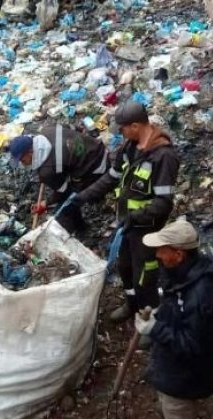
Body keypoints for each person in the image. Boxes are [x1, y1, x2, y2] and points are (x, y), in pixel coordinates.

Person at [133, 220, 213, 419]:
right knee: (170, 392)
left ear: (178, 254)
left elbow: (191, 345)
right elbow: (178, 305)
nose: (157, 255)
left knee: (174, 400)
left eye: (162, 250)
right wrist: (161, 314)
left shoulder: (201, 295)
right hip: (184, 358)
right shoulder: (187, 272)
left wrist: (155, 328)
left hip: (190, 369)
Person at [71, 101, 179, 320]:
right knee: (125, 267)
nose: (120, 134)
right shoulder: (129, 148)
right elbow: (111, 178)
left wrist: (135, 217)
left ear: (136, 126)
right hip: (127, 225)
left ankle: (150, 319)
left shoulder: (164, 157)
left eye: (122, 129)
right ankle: (132, 305)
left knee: (145, 275)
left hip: (146, 231)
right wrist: (83, 197)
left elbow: (164, 203)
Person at [8, 124, 108, 233]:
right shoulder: (47, 129)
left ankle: (81, 228)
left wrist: (45, 203)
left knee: (69, 202)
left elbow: (65, 191)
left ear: (30, 152)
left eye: (22, 160)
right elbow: (74, 128)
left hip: (97, 167)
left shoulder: (46, 172)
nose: (22, 164)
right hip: (97, 146)